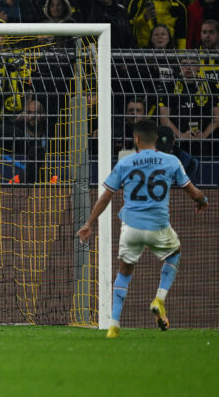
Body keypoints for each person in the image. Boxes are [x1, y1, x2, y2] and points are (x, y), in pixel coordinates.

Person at [76, 119, 208, 338]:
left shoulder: (125, 164)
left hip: (131, 227)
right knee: (174, 254)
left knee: (125, 272)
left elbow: (107, 196)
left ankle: (114, 324)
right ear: (156, 139)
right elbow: (192, 191)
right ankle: (159, 299)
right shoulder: (171, 161)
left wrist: (89, 223)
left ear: (136, 139)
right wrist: (202, 200)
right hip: (158, 224)